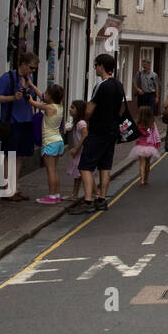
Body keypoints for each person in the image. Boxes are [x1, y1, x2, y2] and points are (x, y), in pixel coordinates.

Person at [69, 53, 126, 214]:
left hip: (98, 131)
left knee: (85, 166)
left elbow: (89, 110)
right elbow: (121, 108)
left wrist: (87, 117)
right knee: (105, 166)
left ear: (101, 66)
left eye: (96, 65)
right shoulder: (118, 85)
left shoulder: (101, 85)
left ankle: (88, 200)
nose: (95, 68)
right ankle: (102, 199)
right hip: (112, 130)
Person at [0, 52, 41, 201]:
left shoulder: (28, 79)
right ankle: (7, 190)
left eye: (34, 69)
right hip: (12, 123)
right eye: (31, 67)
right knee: (10, 156)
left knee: (20, 156)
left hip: (27, 121)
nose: (32, 71)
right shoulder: (7, 78)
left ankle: (14, 188)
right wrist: (13, 97)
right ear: (23, 64)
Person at [31, 84, 65, 205]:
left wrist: (28, 96)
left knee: (50, 171)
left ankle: (51, 196)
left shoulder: (49, 108)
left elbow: (34, 103)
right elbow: (42, 97)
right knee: (54, 170)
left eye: (47, 93)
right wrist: (32, 86)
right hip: (58, 141)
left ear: (50, 96)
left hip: (50, 142)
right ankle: (56, 194)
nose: (45, 94)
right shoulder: (59, 107)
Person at [129, 105, 162, 186]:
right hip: (150, 147)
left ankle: (142, 180)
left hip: (140, 146)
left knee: (142, 163)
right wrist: (157, 143)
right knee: (147, 163)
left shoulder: (138, 124)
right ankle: (146, 179)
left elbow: (136, 135)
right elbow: (156, 134)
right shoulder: (152, 124)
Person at [65, 100, 88, 202]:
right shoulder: (77, 123)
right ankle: (74, 194)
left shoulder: (81, 123)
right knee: (78, 175)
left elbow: (85, 135)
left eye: (72, 107)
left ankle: (96, 194)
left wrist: (76, 148)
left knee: (83, 175)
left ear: (79, 110)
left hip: (82, 152)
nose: (70, 109)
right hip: (79, 153)